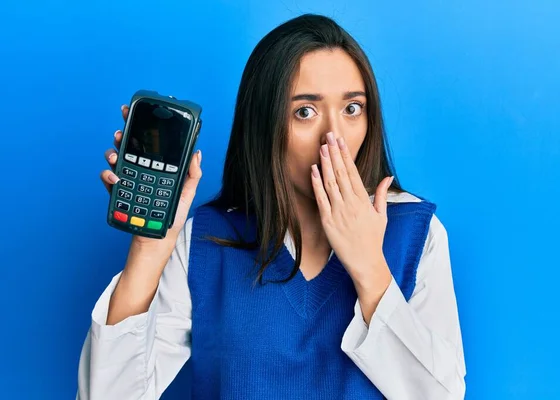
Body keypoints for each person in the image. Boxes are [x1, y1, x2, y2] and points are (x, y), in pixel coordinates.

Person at [78, 13, 466, 400]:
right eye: (304, 112)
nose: (335, 138)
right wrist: (150, 249)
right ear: (263, 126)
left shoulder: (418, 234)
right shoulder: (207, 241)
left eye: (352, 109)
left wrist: (370, 270)